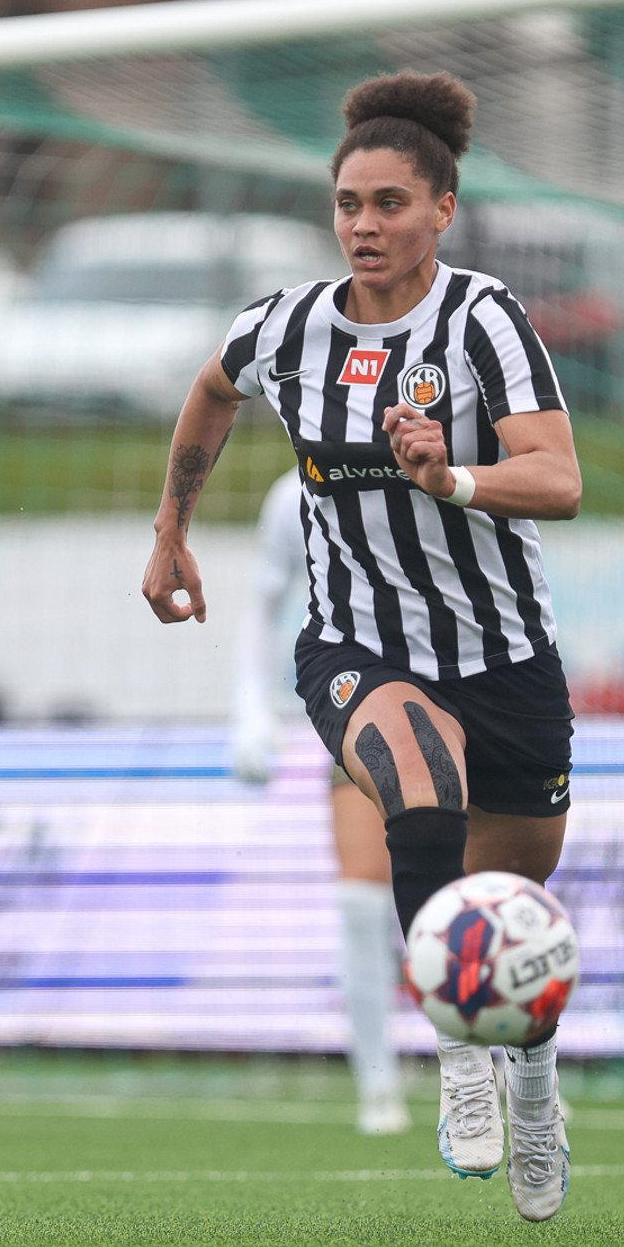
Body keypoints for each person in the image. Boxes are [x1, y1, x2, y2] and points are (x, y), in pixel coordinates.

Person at [143, 70, 582, 1223]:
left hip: (504, 656)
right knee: (417, 790)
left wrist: (453, 476)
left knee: (507, 904)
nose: (365, 224)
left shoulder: (483, 320)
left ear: (443, 209)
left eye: (390, 203)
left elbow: (561, 480)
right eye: (349, 203)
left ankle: (534, 1085)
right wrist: (173, 529)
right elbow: (211, 390)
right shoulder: (285, 326)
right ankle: (459, 1059)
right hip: (355, 645)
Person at [231, 464, 410, 1136]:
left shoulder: (446, 469)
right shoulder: (293, 496)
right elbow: (263, 605)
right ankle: (379, 1087)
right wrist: (249, 708)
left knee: (475, 893)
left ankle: (513, 1069)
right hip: (364, 704)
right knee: (362, 903)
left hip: (463, 696)